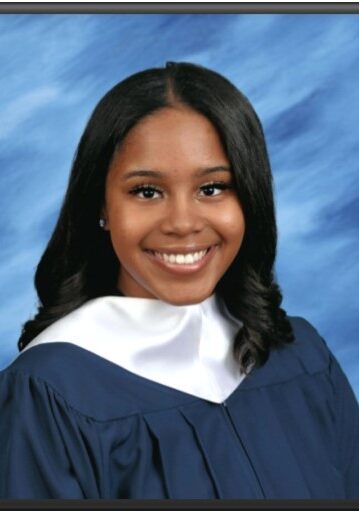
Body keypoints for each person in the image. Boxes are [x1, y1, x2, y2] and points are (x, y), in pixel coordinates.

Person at [0, 62, 358, 499]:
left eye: (212, 188)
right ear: (101, 207)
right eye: (147, 192)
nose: (183, 224)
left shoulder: (302, 358)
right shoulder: (51, 394)